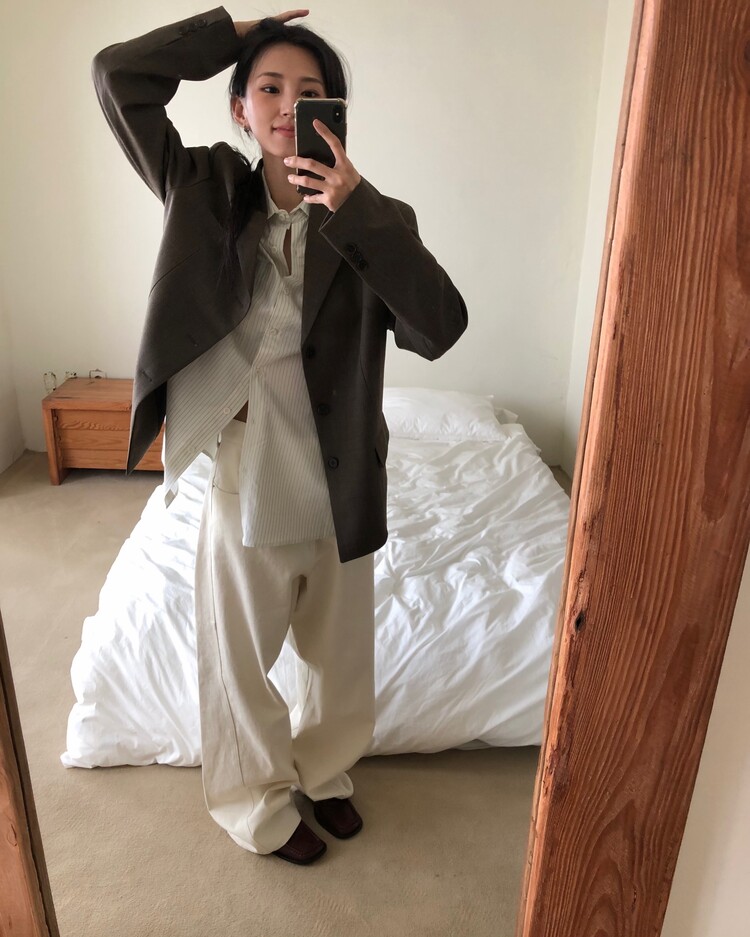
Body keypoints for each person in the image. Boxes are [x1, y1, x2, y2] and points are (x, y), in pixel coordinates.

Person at [92, 6, 467, 866]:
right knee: (239, 654)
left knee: (340, 652)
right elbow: (117, 76)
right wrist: (236, 32)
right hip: (244, 458)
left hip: (341, 463)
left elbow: (440, 326)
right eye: (269, 88)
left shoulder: (375, 215)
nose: (288, 105)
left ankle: (325, 773)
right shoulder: (200, 186)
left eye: (310, 92)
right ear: (239, 108)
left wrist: (356, 210)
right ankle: (256, 805)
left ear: (336, 114)